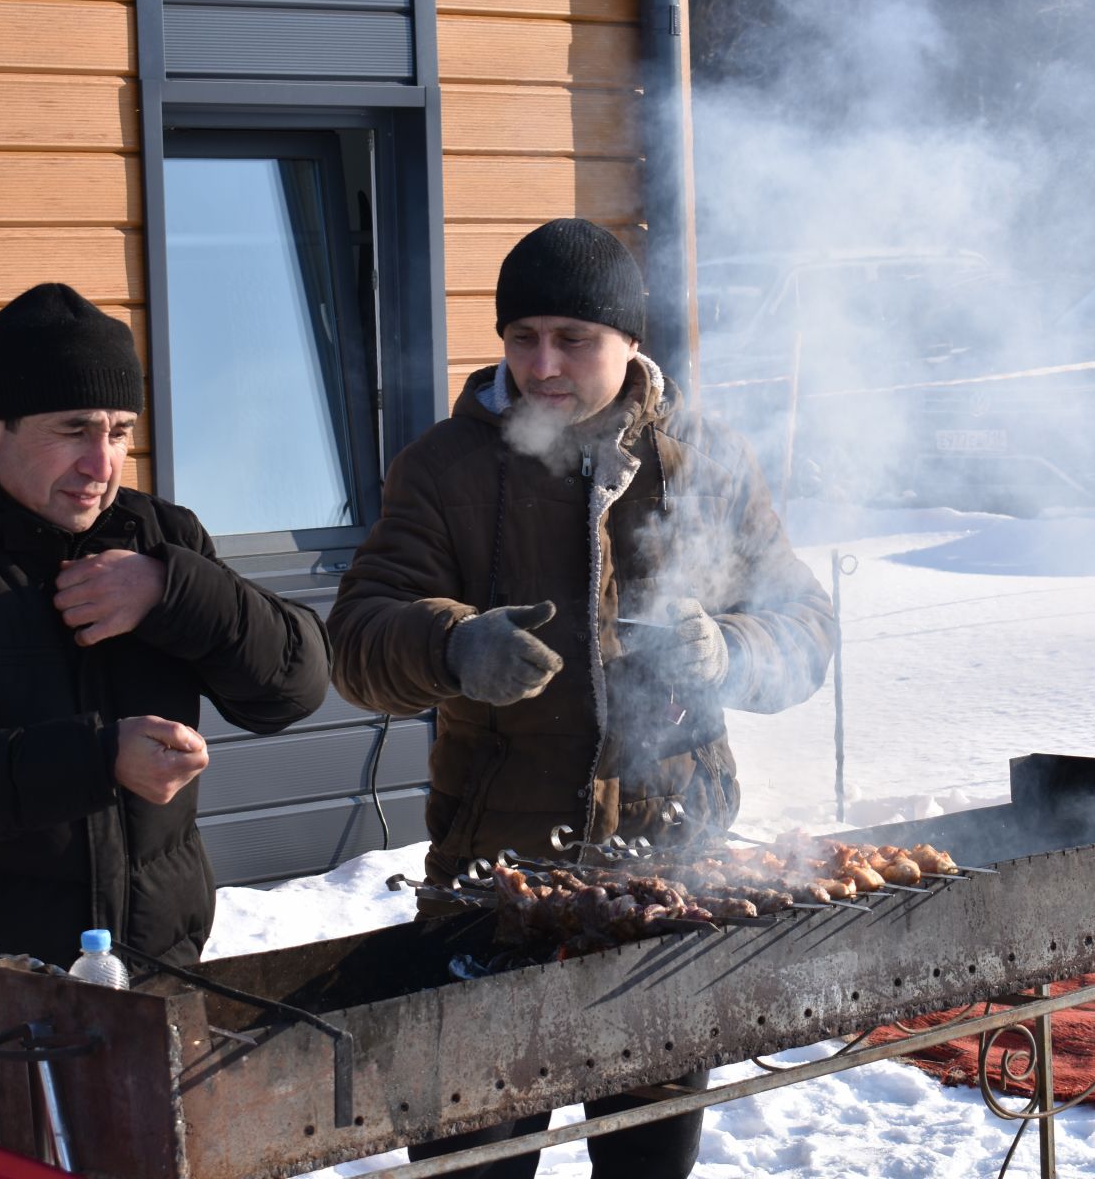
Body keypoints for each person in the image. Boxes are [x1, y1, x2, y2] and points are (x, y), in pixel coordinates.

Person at [327, 219, 838, 1177]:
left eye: (573, 339)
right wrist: (451, 641)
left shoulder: (706, 460)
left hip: (670, 884)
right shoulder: (447, 466)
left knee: (647, 1165)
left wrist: (727, 651)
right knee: (472, 1164)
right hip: (494, 886)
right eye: (523, 337)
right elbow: (357, 639)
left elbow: (805, 629)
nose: (542, 364)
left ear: (631, 343)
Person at [0, 283, 331, 1145]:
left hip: (150, 993)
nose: (103, 462)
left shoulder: (160, 539)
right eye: (73, 430)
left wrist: (174, 594)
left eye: (120, 431)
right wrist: (96, 759)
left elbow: (295, 684)